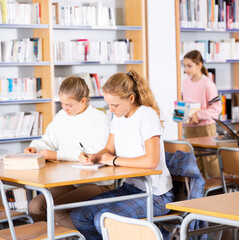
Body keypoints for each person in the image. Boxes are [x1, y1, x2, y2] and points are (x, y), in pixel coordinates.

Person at [71, 69, 173, 240]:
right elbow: (108, 150)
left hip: (156, 195)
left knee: (103, 220)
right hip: (131, 188)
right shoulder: (118, 117)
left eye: (115, 105)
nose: (111, 110)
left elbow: (151, 161)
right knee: (80, 215)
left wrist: (115, 161)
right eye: (108, 104)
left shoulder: (146, 116)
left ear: (131, 99)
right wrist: (94, 156)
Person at [25, 76, 112, 229]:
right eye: (62, 103)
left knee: (58, 208)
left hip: (97, 182)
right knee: (35, 206)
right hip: (70, 181)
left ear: (83, 101)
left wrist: (58, 155)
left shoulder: (99, 118)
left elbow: (96, 154)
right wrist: (35, 148)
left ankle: (80, 237)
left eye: (69, 105)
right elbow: (48, 141)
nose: (65, 108)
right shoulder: (62, 116)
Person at [182, 50, 222, 178]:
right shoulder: (185, 83)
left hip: (206, 128)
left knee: (210, 162)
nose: (186, 69)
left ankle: (217, 193)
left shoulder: (208, 84)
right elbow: (186, 103)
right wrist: (180, 113)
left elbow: (216, 109)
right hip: (190, 128)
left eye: (189, 66)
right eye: (185, 66)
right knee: (195, 163)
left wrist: (199, 115)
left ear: (199, 65)